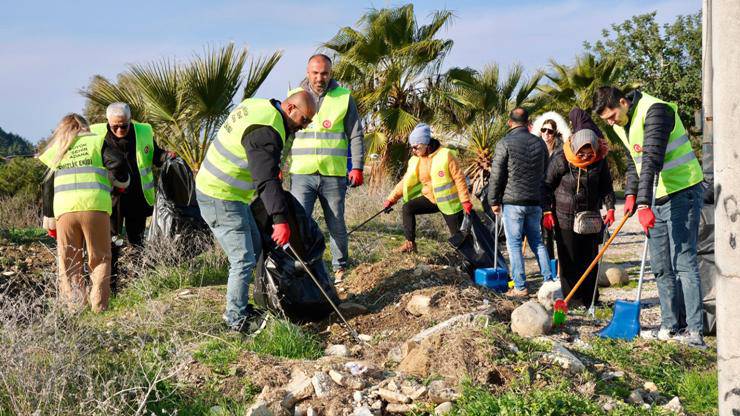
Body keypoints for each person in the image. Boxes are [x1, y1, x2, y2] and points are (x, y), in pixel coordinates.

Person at [195, 91, 316, 334]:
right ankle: (235, 319)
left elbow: (258, 160)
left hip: (229, 193)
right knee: (242, 259)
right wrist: (280, 220)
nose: (304, 127)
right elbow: (265, 181)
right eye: (304, 120)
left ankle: (244, 305)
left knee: (255, 244)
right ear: (290, 108)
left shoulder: (260, 105)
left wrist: (268, 165)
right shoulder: (268, 130)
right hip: (220, 195)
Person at [593, 86, 705, 347]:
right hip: (657, 196)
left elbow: (652, 160)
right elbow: (636, 160)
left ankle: (695, 332)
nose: (610, 122)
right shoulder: (621, 123)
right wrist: (631, 193)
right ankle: (670, 326)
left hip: (683, 190)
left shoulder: (656, 111)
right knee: (661, 265)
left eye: (611, 116)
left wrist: (642, 205)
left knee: (683, 261)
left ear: (623, 102)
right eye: (606, 119)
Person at [40, 113, 130, 313]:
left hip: (64, 210)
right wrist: (119, 183)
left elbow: (47, 185)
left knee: (69, 260)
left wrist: (49, 217)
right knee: (100, 258)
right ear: (85, 126)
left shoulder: (58, 147)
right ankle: (99, 307)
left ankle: (75, 307)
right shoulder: (97, 141)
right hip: (95, 206)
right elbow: (119, 164)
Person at [288, 54, 365, 283]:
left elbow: (355, 134)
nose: (320, 78)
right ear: (307, 72)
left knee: (336, 222)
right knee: (299, 222)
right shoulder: (294, 97)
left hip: (333, 173)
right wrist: (276, 164)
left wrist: (357, 166)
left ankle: (340, 269)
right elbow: (284, 132)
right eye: (315, 73)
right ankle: (300, 268)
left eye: (324, 73)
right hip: (302, 173)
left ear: (331, 73)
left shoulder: (344, 97)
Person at [89, 103, 172, 292]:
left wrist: (166, 156)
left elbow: (155, 155)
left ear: (130, 120)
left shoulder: (143, 132)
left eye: (124, 125)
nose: (120, 130)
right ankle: (111, 288)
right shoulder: (96, 134)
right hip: (111, 200)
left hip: (137, 198)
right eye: (115, 126)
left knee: (137, 242)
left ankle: (140, 283)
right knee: (111, 244)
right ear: (108, 122)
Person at [544, 124, 615, 309]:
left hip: (589, 217)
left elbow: (606, 186)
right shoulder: (561, 158)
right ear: (575, 147)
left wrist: (611, 208)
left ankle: (591, 299)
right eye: (581, 154)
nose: (585, 157)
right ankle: (573, 300)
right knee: (570, 259)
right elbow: (545, 186)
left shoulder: (599, 160)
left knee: (590, 258)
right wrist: (546, 211)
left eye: (589, 153)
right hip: (564, 217)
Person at [488, 108, 554, 298]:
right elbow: (545, 171)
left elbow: (497, 174)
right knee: (537, 242)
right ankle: (549, 282)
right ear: (528, 123)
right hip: (534, 201)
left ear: (510, 122)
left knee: (514, 244)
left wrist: (493, 200)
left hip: (513, 201)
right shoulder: (540, 143)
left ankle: (520, 287)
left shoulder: (505, 143)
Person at [383, 123, 472, 253]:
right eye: (412, 147)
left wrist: (465, 201)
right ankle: (410, 244)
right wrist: (391, 199)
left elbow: (459, 178)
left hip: (449, 203)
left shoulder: (445, 155)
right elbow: (405, 181)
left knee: (459, 238)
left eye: (416, 147)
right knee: (407, 208)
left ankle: (469, 262)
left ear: (425, 143)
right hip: (431, 199)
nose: (413, 150)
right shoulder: (415, 160)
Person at [531, 111, 572, 259]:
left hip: (559, 195)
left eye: (550, 131)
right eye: (544, 130)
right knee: (545, 232)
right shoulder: (536, 150)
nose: (546, 134)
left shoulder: (561, 151)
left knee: (560, 232)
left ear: (555, 134)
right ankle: (550, 263)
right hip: (542, 195)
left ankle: (563, 264)